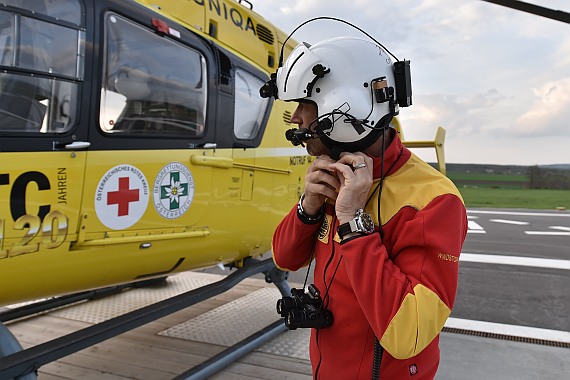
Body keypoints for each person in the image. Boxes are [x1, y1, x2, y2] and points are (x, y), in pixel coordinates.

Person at [260, 35, 468, 379]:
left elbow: (408, 334)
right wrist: (308, 206)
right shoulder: (334, 173)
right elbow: (284, 258)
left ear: (342, 105)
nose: (294, 117)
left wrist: (352, 221)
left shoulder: (434, 200)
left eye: (303, 104)